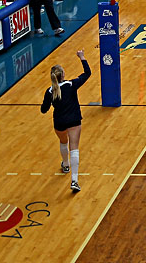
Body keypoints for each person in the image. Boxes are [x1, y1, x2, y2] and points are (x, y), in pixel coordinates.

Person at [40, 50, 90, 193]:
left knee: (63, 142)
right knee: (74, 147)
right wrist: (82, 57)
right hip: (74, 119)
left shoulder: (49, 91)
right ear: (63, 75)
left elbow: (43, 110)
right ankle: (74, 180)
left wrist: (49, 103)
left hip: (59, 121)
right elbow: (87, 73)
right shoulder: (71, 85)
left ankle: (65, 164)